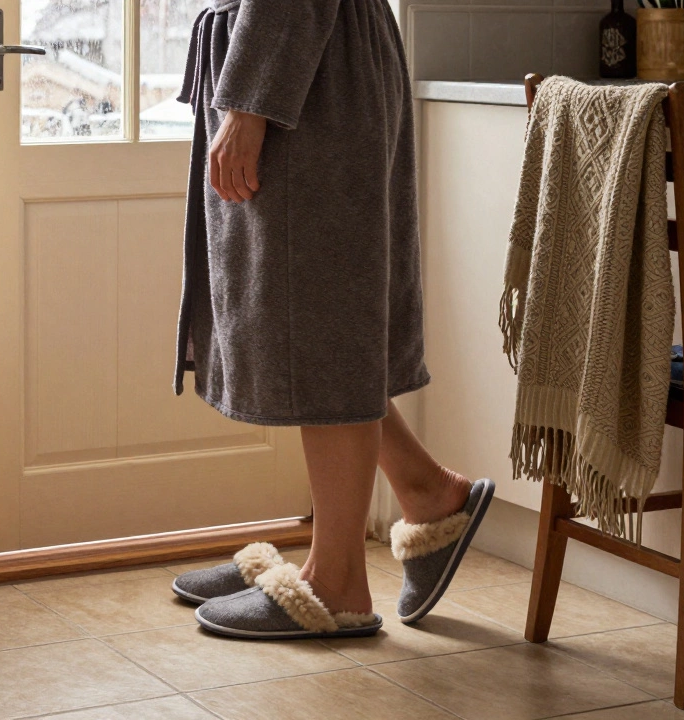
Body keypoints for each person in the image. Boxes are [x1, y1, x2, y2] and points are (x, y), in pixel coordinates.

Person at [169, 0, 494, 639]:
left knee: (319, 317)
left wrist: (250, 100)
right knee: (305, 318)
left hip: (308, 68)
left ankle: (337, 582)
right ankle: (429, 494)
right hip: (298, 56)